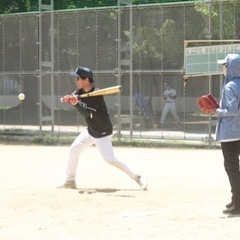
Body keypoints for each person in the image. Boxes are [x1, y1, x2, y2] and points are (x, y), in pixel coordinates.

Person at [60, 66, 148, 190]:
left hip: (102, 132)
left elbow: (87, 114)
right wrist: (69, 98)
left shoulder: (97, 94)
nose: (76, 81)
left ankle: (137, 177)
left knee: (110, 159)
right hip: (91, 130)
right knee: (74, 149)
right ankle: (70, 181)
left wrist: (75, 103)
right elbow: (75, 96)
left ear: (86, 80)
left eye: (78, 78)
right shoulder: (80, 91)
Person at [216, 54, 240, 215]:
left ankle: (237, 202)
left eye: (225, 64)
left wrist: (216, 111)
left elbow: (231, 111)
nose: (223, 67)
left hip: (231, 133)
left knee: (231, 168)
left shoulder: (230, 86)